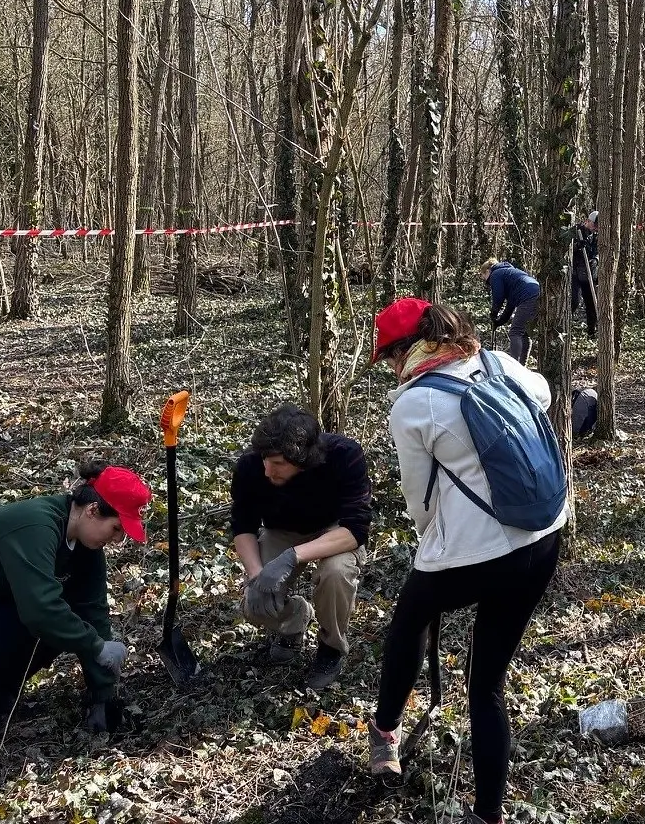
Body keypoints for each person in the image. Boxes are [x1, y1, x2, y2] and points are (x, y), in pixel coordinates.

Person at [367, 298, 566, 824]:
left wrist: (433, 549)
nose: (390, 366)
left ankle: (385, 729)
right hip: (544, 537)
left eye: (390, 355)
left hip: (476, 556)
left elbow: (419, 500)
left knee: (409, 621)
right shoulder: (501, 363)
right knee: (487, 684)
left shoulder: (414, 404)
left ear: (407, 349)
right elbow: (542, 395)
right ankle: (489, 814)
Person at [0, 461, 150, 743]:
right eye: (116, 529)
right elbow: (40, 611)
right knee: (43, 621)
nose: (117, 540)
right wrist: (96, 646)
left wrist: (102, 695)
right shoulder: (35, 525)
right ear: (92, 511)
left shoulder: (85, 548)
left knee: (63, 625)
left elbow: (93, 612)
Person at [231, 403, 372, 690]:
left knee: (336, 573)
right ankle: (295, 619)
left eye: (279, 463)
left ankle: (332, 647)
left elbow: (355, 529)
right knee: (255, 604)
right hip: (281, 530)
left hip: (334, 531)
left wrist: (291, 557)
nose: (268, 470)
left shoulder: (345, 456)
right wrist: (258, 574)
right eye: (265, 460)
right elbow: (242, 526)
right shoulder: (249, 467)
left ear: (303, 458)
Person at [480, 258, 541, 365]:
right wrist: (499, 321)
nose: (483, 278)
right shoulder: (508, 273)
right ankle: (522, 366)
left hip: (529, 297)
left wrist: (493, 313)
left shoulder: (496, 274)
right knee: (524, 333)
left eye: (483, 275)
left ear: (488, 271)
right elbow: (510, 306)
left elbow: (498, 297)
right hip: (538, 294)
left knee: (515, 332)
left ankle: (515, 366)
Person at [571, 211, 600, 339]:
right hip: (576, 273)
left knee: (592, 303)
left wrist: (596, 259)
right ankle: (565, 326)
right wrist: (577, 246)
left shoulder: (597, 236)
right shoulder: (576, 231)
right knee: (574, 301)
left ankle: (591, 331)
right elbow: (568, 250)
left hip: (589, 274)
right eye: (594, 224)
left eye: (597, 225)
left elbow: (600, 251)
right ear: (587, 221)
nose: (596, 228)